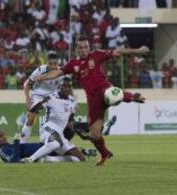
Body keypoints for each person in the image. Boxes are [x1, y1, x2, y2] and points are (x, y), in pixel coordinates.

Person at [36, 35, 149, 166]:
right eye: (80, 47)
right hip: (93, 102)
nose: (83, 50)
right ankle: (105, 154)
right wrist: (42, 77)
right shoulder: (73, 64)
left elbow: (119, 51)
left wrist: (138, 50)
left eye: (86, 47)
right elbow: (57, 72)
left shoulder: (97, 55)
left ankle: (132, 97)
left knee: (111, 93)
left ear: (89, 47)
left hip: (104, 90)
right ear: (77, 49)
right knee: (94, 135)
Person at [23, 77, 85, 163]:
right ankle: (31, 159)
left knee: (80, 158)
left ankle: (48, 159)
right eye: (64, 86)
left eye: (69, 86)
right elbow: (33, 110)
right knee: (56, 143)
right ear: (59, 86)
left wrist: (80, 132)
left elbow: (70, 121)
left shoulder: (73, 101)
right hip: (47, 128)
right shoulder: (51, 97)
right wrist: (41, 102)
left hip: (59, 133)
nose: (67, 88)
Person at [21, 53, 64, 143]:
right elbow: (27, 84)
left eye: (55, 63)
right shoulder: (40, 69)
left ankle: (53, 142)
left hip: (52, 96)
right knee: (31, 116)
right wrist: (27, 99)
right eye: (50, 63)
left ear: (58, 63)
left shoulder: (61, 72)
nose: (53, 66)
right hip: (38, 95)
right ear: (46, 62)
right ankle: (23, 143)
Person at [0, 129, 85, 163]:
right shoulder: (2, 150)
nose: (4, 137)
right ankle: (83, 152)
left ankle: (84, 151)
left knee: (59, 140)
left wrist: (16, 142)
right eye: (0, 136)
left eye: (3, 135)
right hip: (41, 152)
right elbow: (13, 161)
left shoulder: (7, 146)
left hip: (43, 148)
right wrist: (16, 141)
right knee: (74, 158)